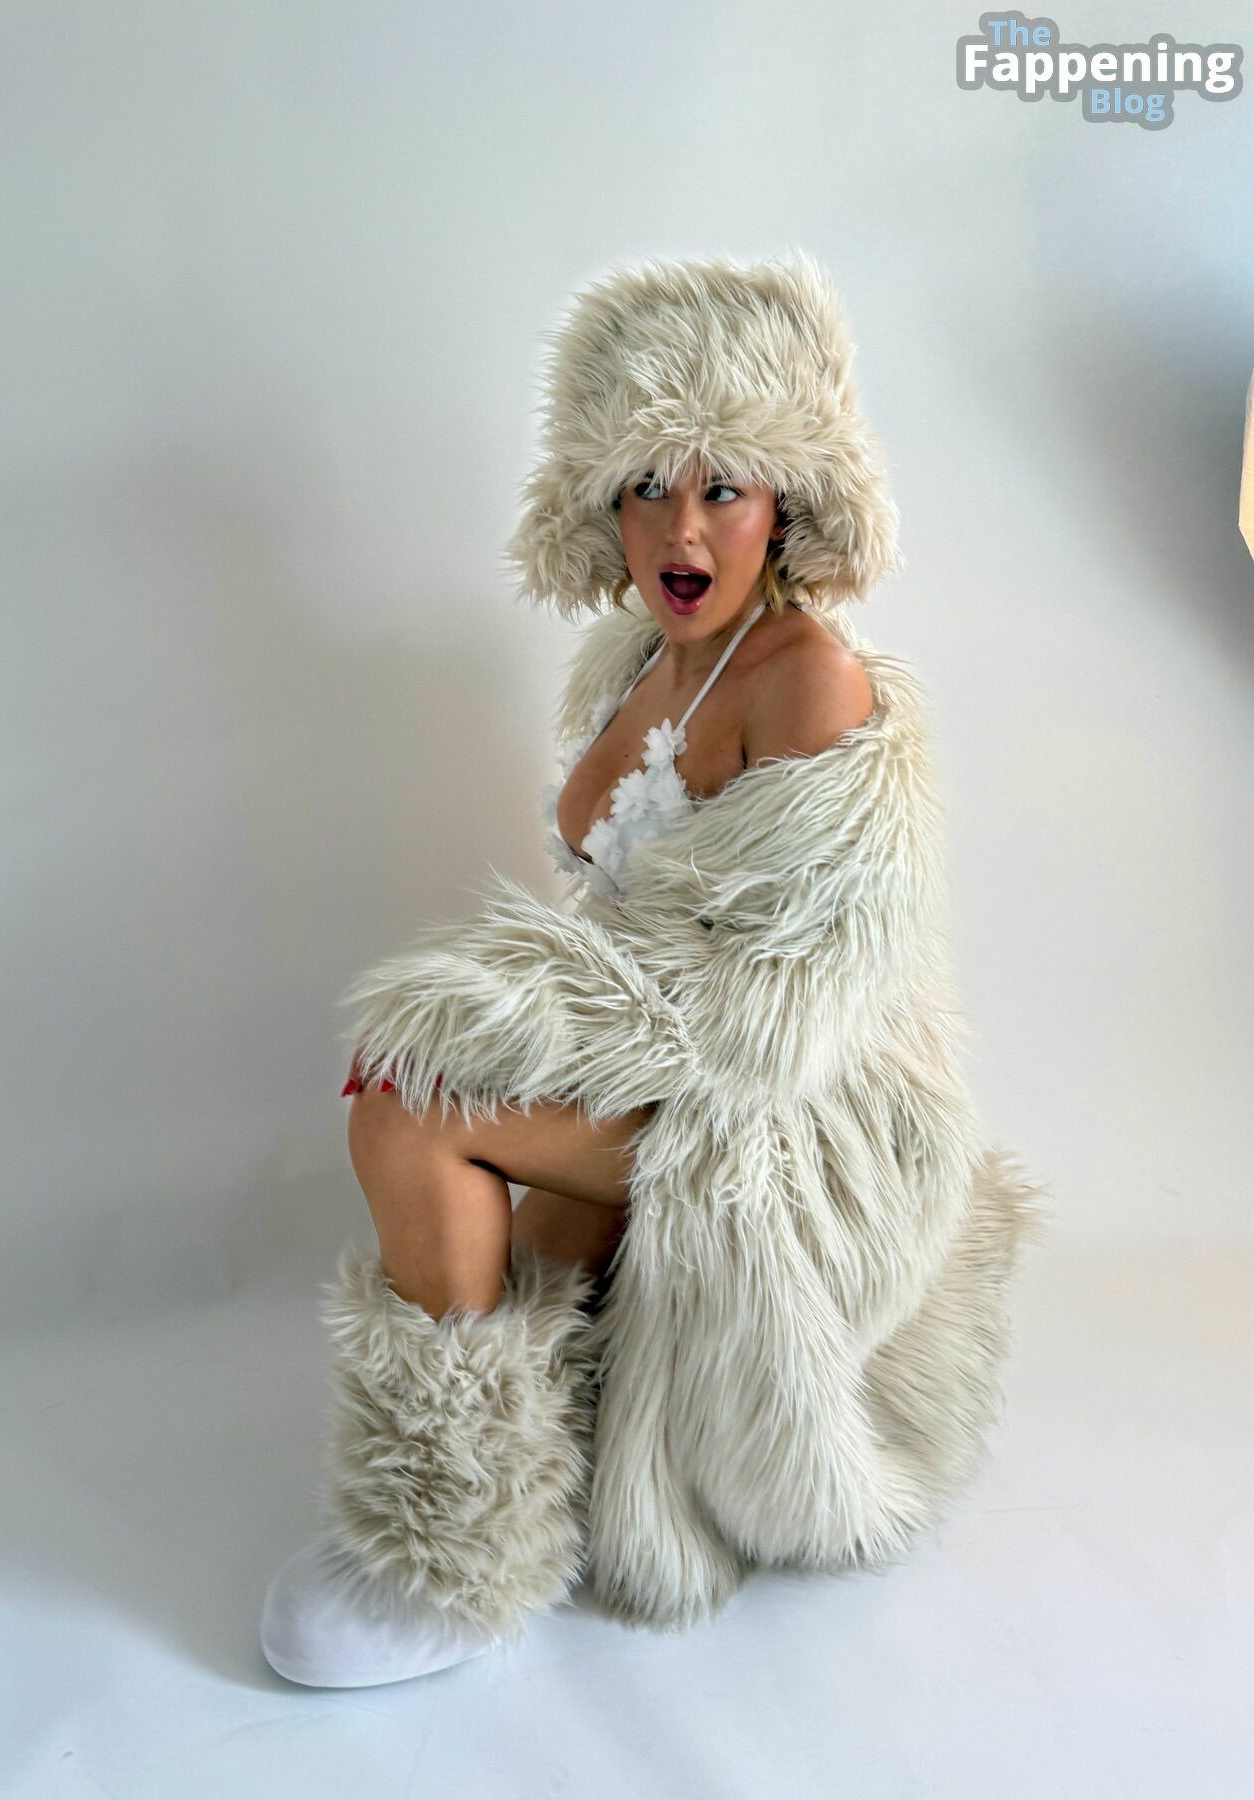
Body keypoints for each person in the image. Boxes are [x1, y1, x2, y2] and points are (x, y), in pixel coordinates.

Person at [261, 252, 1050, 1689]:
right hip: (661, 1052)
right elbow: (622, 919)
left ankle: (449, 1557)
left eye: (722, 488)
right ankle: (490, 1482)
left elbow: (770, 1016)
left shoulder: (809, 680)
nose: (681, 527)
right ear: (600, 503)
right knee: (469, 1159)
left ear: (788, 502)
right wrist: (513, 1020)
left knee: (413, 1115)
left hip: (793, 1111)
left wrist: (502, 1024)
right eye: (646, 486)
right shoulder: (637, 657)